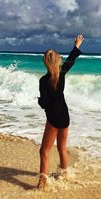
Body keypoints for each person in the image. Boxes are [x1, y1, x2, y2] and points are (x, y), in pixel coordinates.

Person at [37, 34, 84, 190]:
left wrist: (39, 101)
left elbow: (44, 103)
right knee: (62, 149)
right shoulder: (61, 74)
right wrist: (76, 45)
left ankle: (42, 185)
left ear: (45, 62)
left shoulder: (44, 80)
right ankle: (66, 175)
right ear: (57, 61)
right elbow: (71, 60)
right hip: (65, 115)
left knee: (44, 151)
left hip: (53, 118)